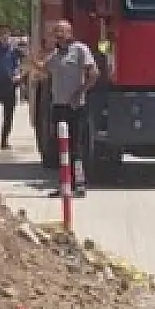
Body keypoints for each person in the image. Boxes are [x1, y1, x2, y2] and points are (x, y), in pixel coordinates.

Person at [45, 19, 99, 196]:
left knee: (76, 147)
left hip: (75, 107)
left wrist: (80, 91)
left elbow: (94, 74)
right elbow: (43, 70)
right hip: (59, 107)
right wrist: (31, 60)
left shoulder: (80, 50)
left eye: (61, 32)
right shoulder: (55, 55)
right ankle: (64, 184)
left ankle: (79, 184)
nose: (58, 35)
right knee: (60, 147)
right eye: (56, 32)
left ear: (70, 33)